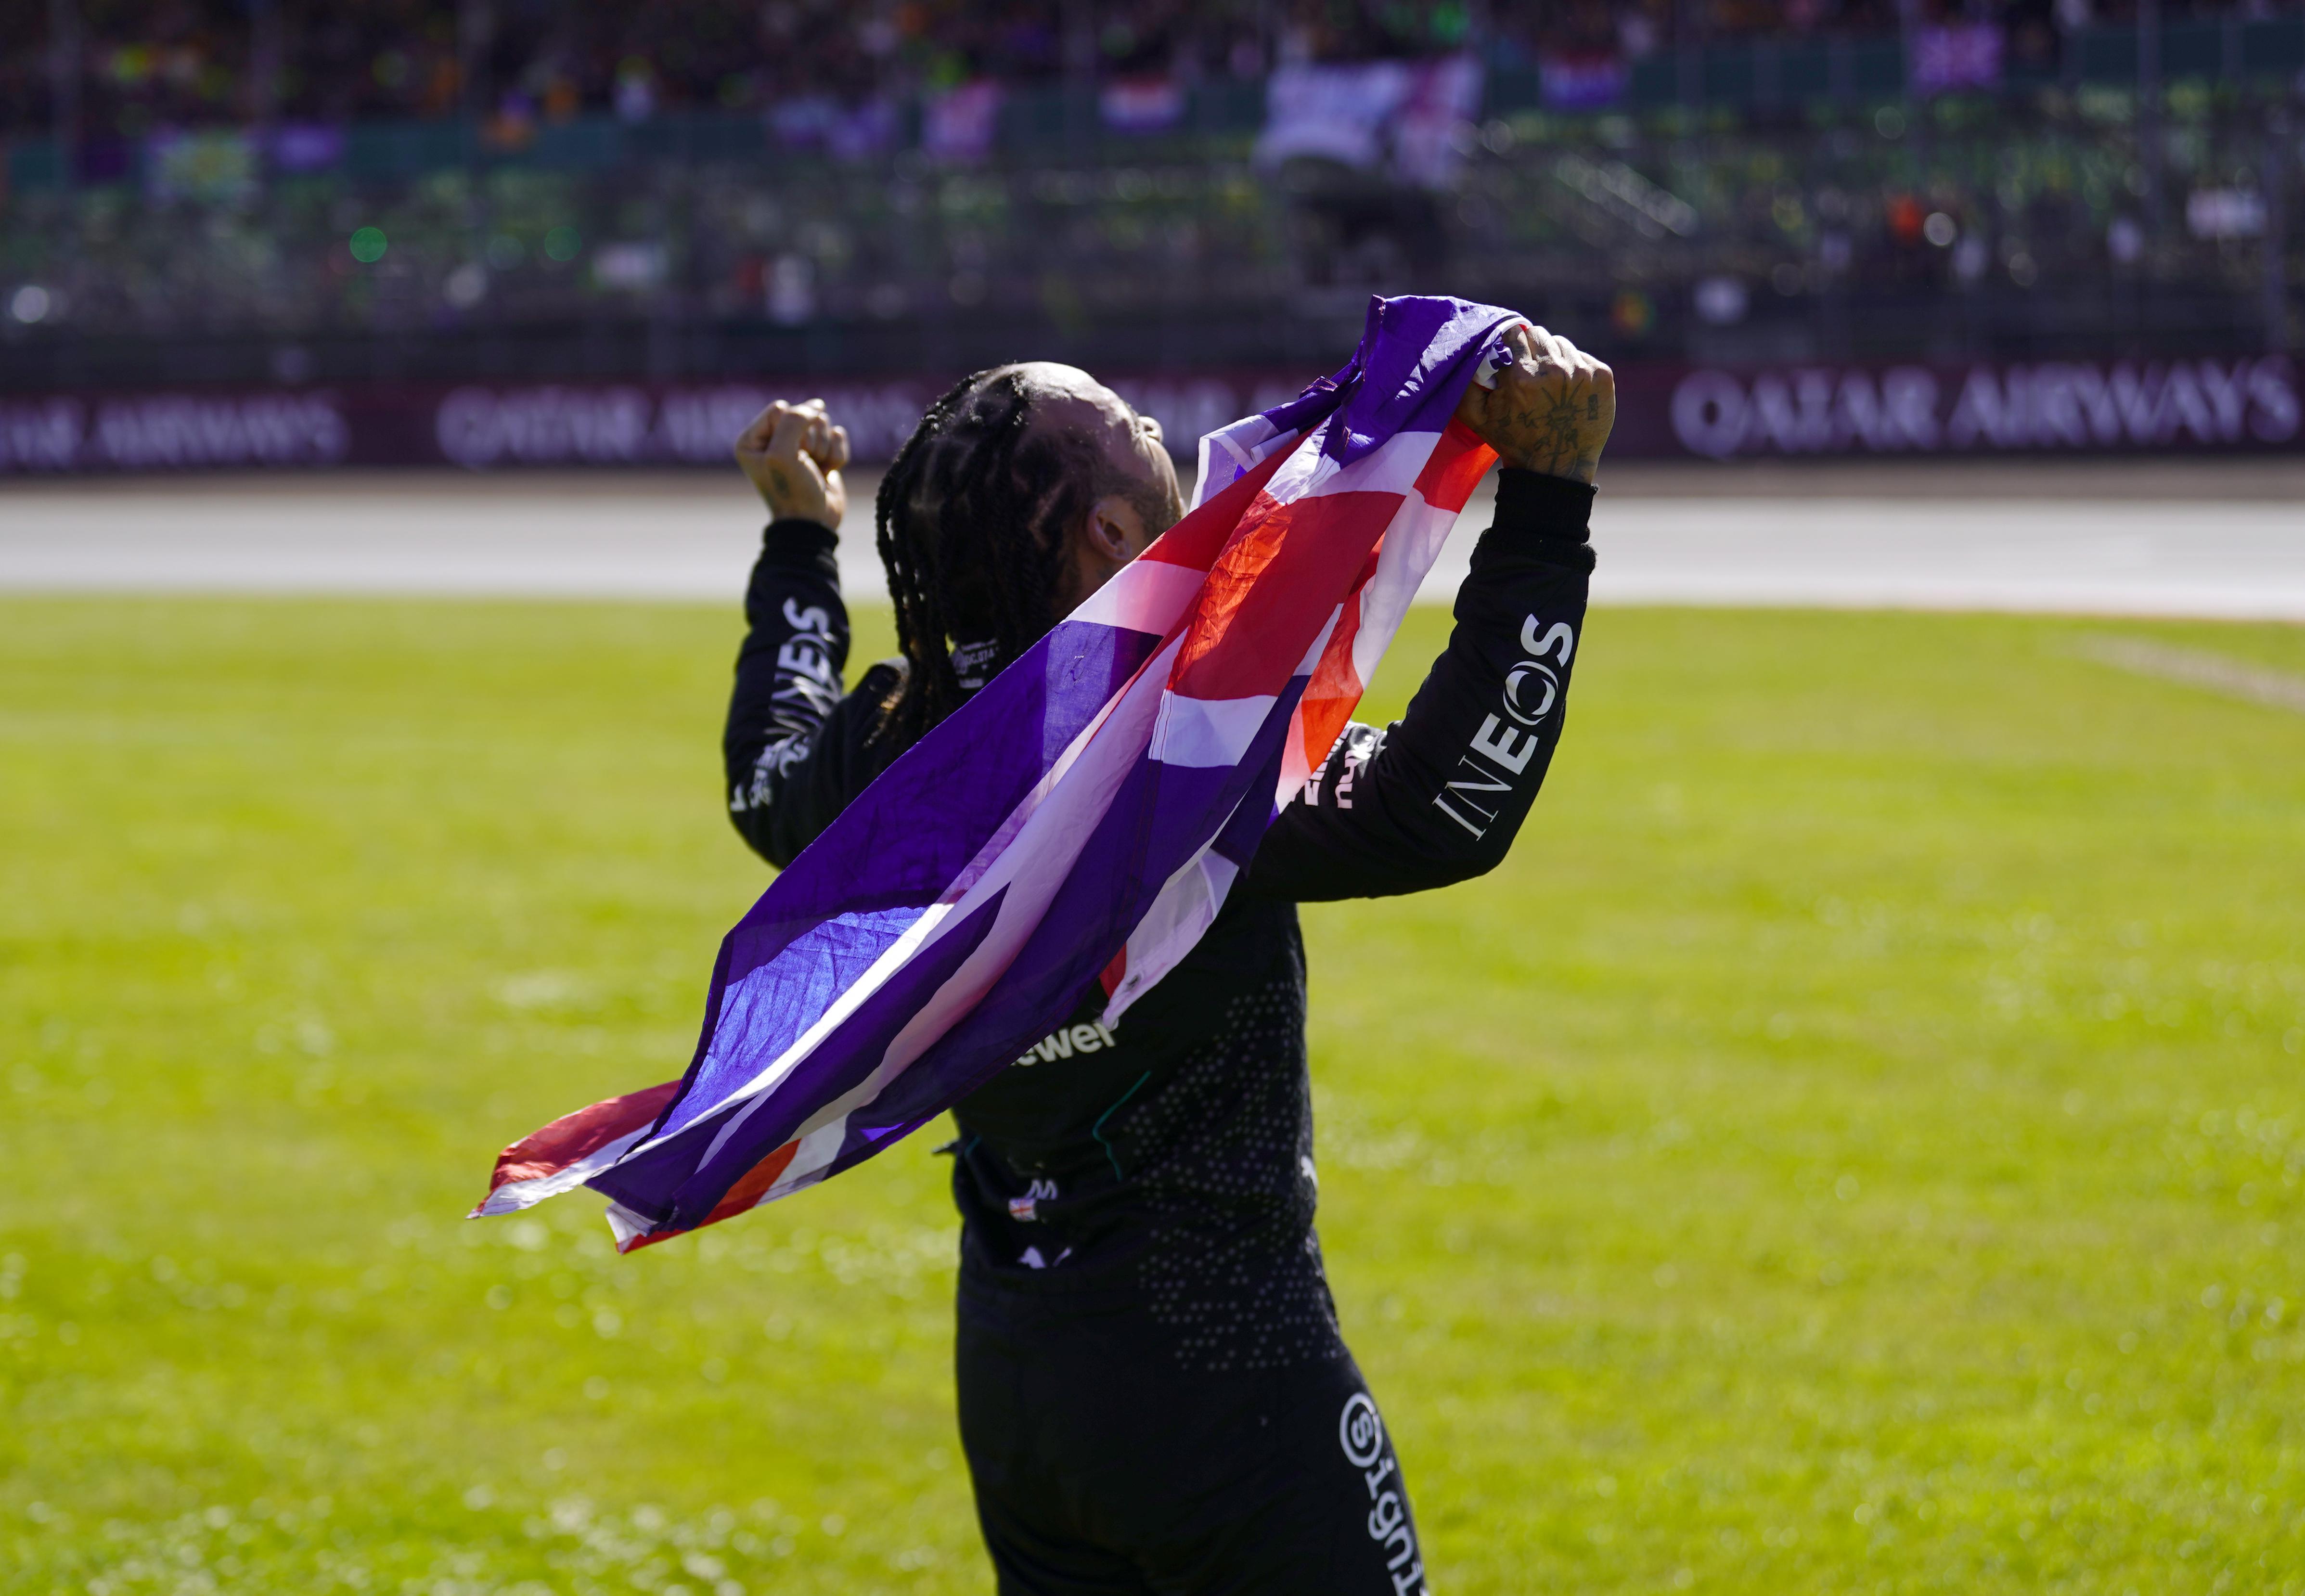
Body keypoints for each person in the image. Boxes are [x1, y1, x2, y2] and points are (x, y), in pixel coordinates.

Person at [720, 326, 1613, 1596]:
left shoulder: (895, 753)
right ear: (1100, 531)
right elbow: (1449, 804)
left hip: (1022, 1380)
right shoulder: (1175, 745)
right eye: (1135, 434)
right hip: (1227, 1378)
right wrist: (1547, 512)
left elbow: (768, 775)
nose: (1164, 447)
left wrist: (800, 544)